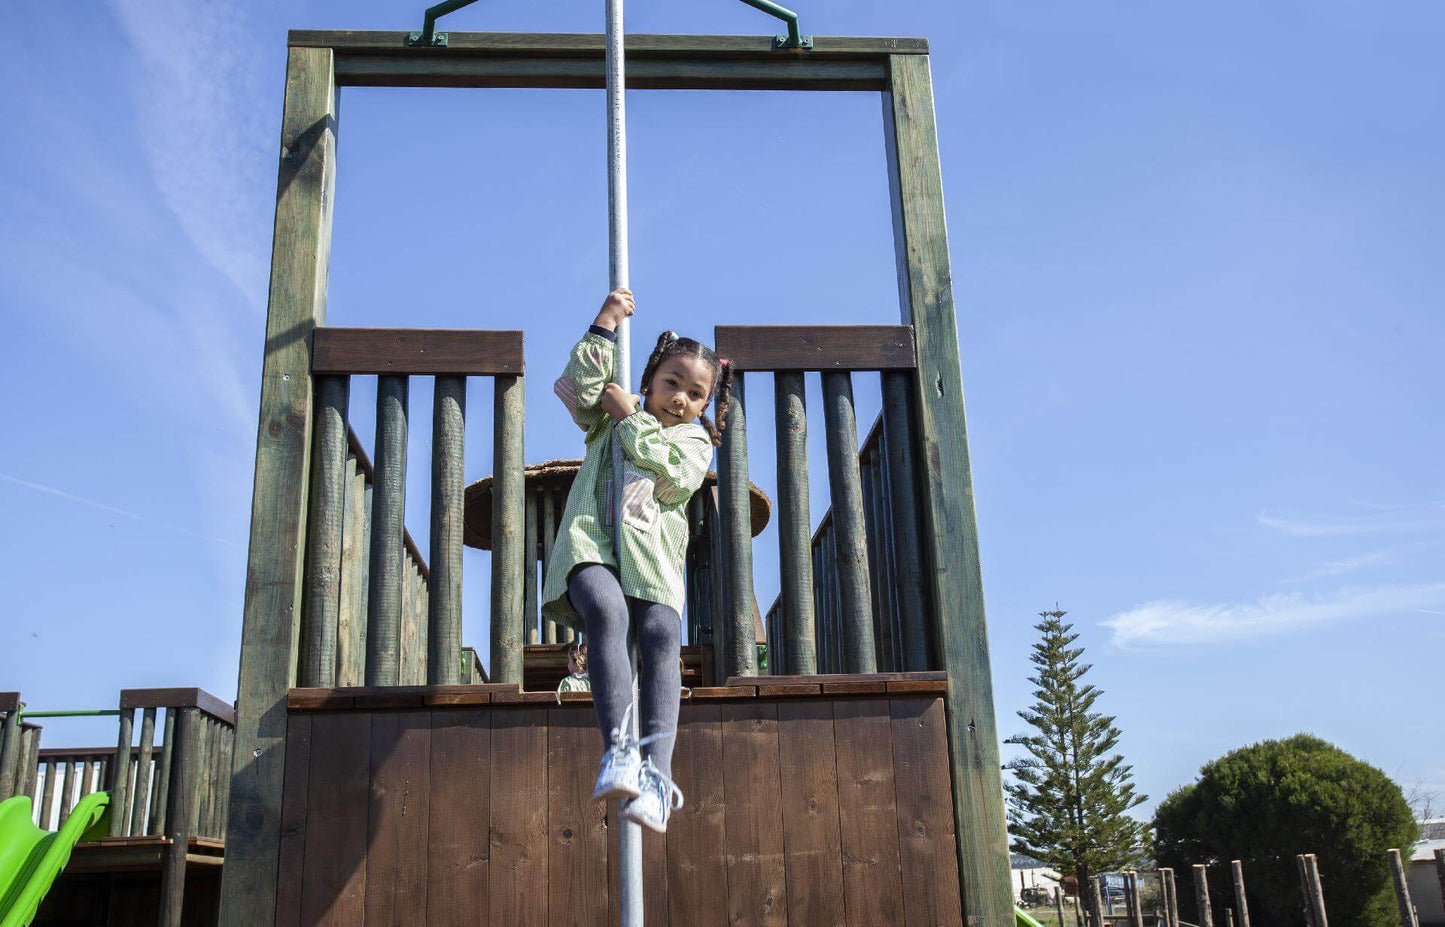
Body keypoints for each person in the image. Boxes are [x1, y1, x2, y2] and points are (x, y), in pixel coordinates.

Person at [540, 287, 732, 833]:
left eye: (695, 394)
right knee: (605, 611)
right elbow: (579, 385)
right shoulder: (608, 420)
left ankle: (656, 775)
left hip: (655, 567)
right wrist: (605, 323)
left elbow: (671, 478)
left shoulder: (694, 445)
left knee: (660, 637)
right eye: (671, 383)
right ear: (649, 381)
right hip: (592, 543)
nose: (680, 399)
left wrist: (631, 418)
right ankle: (619, 749)